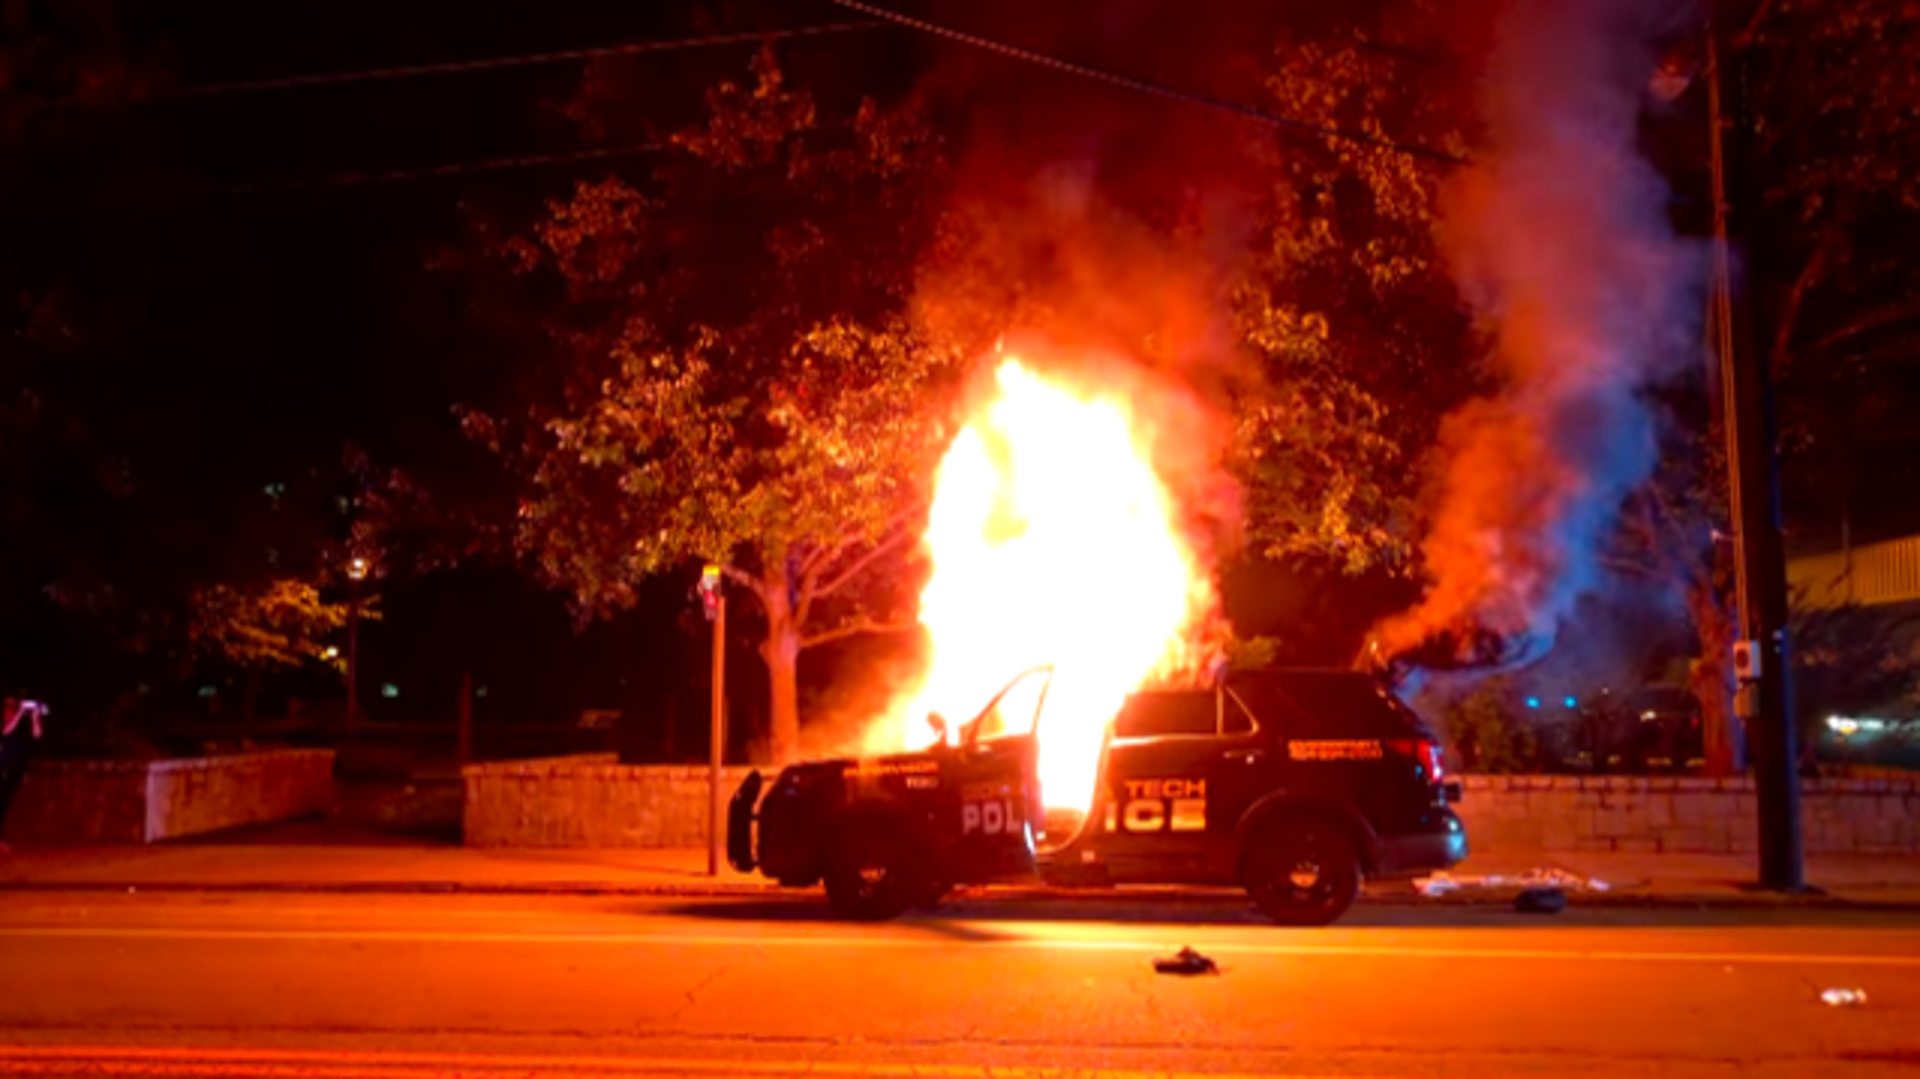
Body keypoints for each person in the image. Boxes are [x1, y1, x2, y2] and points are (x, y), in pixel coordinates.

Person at [0, 697, 49, 854]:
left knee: (4, 805)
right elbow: (6, 731)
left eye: (12, 708)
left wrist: (35, 717)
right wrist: (20, 712)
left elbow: (37, 735)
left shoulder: (21, 725)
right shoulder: (9, 723)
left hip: (16, 769)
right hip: (3, 768)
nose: (9, 712)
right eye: (7, 709)